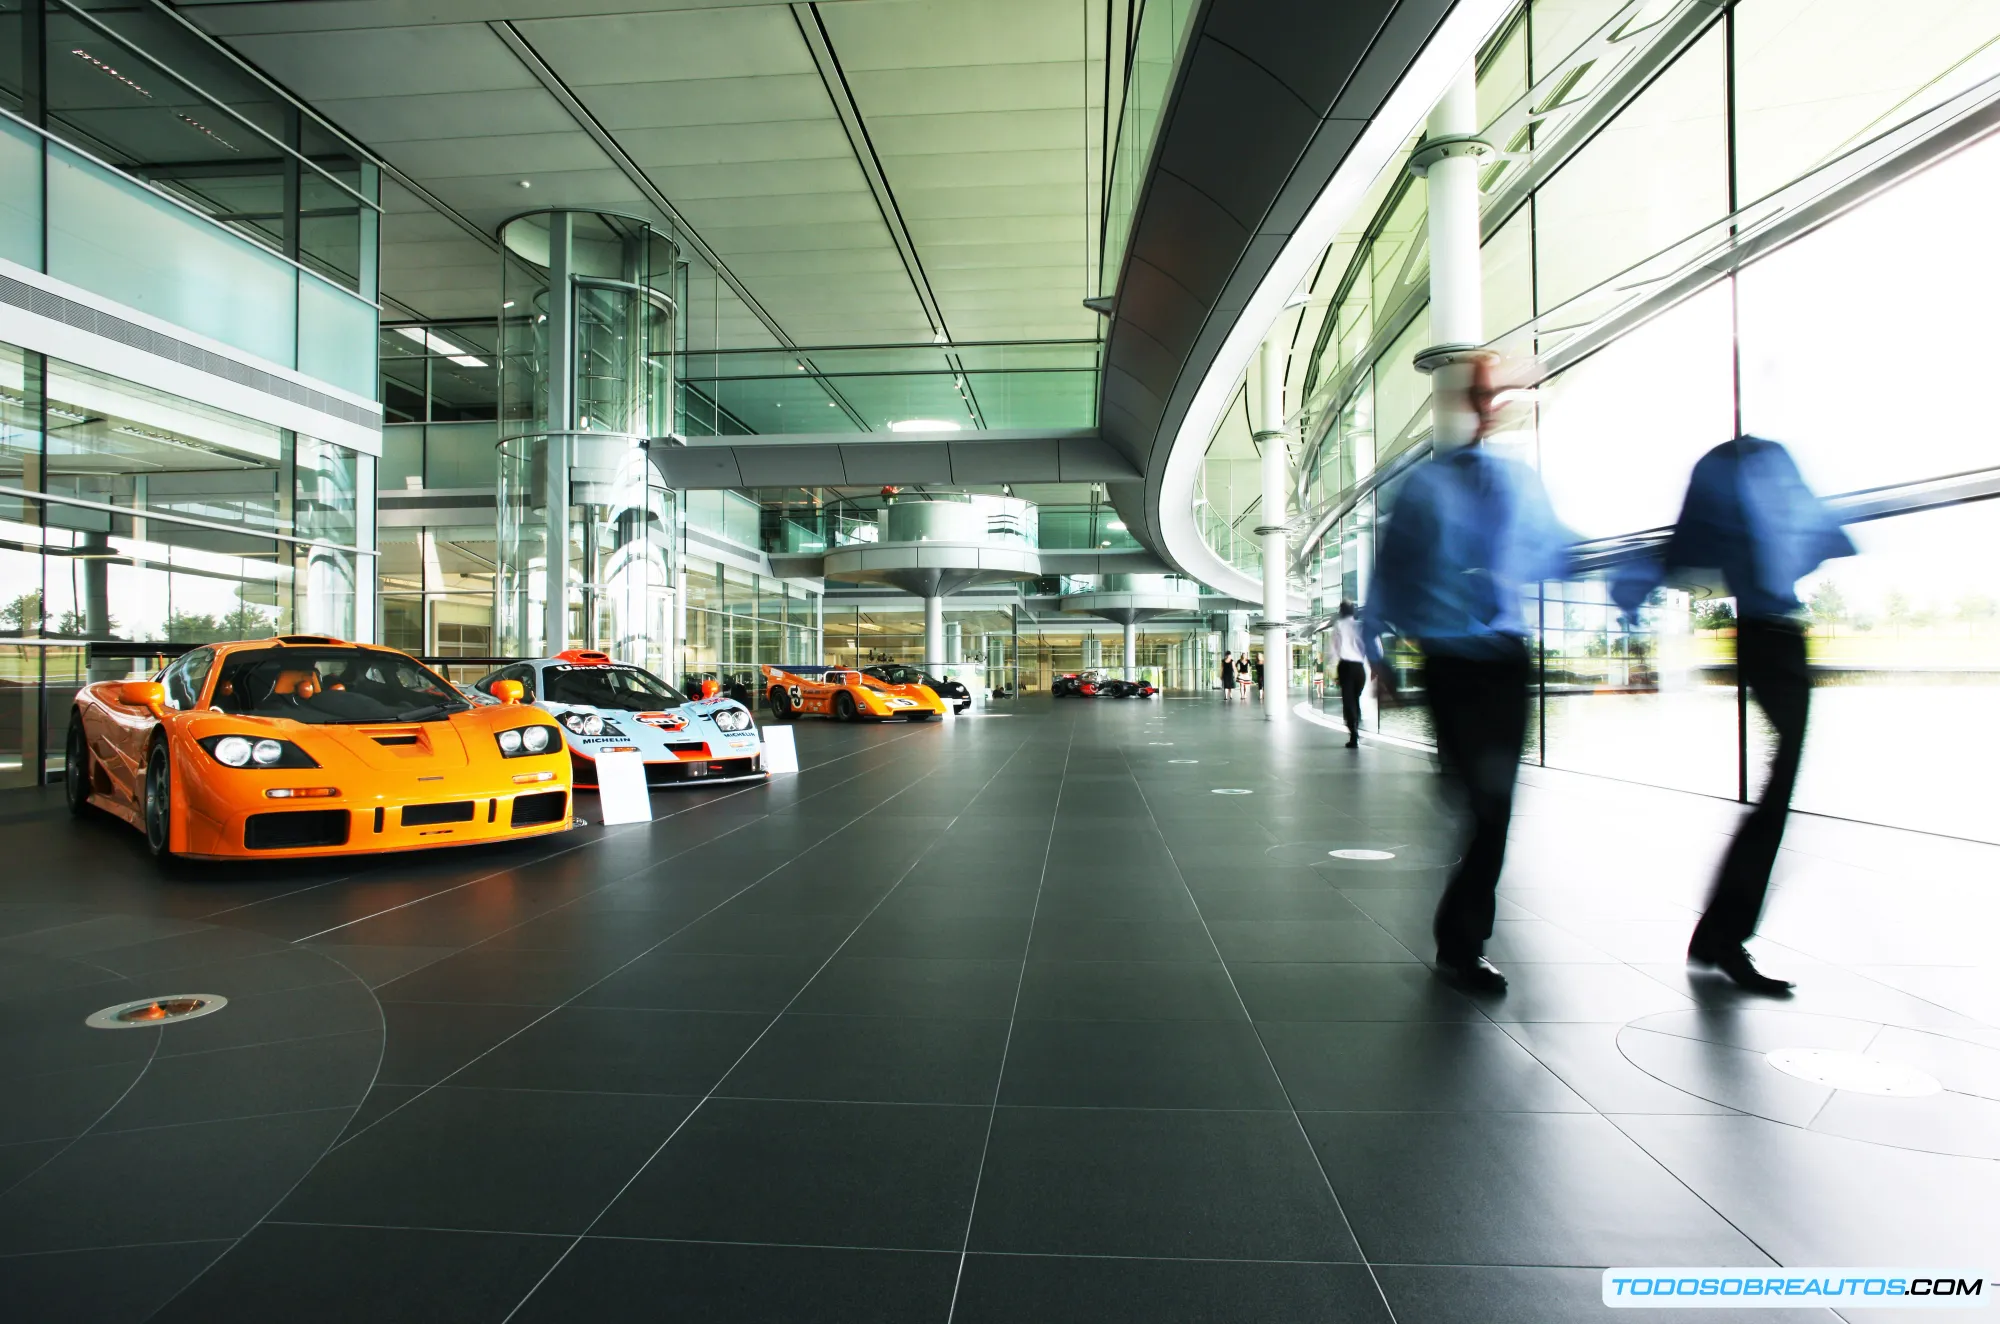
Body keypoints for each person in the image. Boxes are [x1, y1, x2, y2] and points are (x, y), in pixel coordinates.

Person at [1363, 355, 1578, 994]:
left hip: (1508, 659)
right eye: (1480, 395)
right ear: (1459, 404)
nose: (1489, 405)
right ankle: (1460, 933)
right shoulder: (1424, 490)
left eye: (1495, 395)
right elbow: (1391, 576)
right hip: (1452, 661)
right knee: (1480, 798)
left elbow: (1555, 550)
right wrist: (1381, 661)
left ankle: (1462, 941)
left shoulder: (1518, 483)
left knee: (1495, 806)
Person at [1614, 436, 1854, 996]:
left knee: (1777, 788)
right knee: (1778, 789)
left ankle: (1717, 934)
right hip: (1770, 637)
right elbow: (1803, 539)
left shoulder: (1740, 480)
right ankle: (1723, 934)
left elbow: (1684, 549)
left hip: (1772, 636)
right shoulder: (1753, 475)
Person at [1333, 601, 1367, 748]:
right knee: (1356, 699)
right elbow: (1374, 644)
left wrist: (1331, 668)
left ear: (1341, 611)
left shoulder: (1338, 626)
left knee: (1348, 701)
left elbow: (1334, 649)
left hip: (1346, 666)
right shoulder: (1360, 626)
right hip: (1360, 667)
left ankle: (1353, 733)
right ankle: (1357, 729)